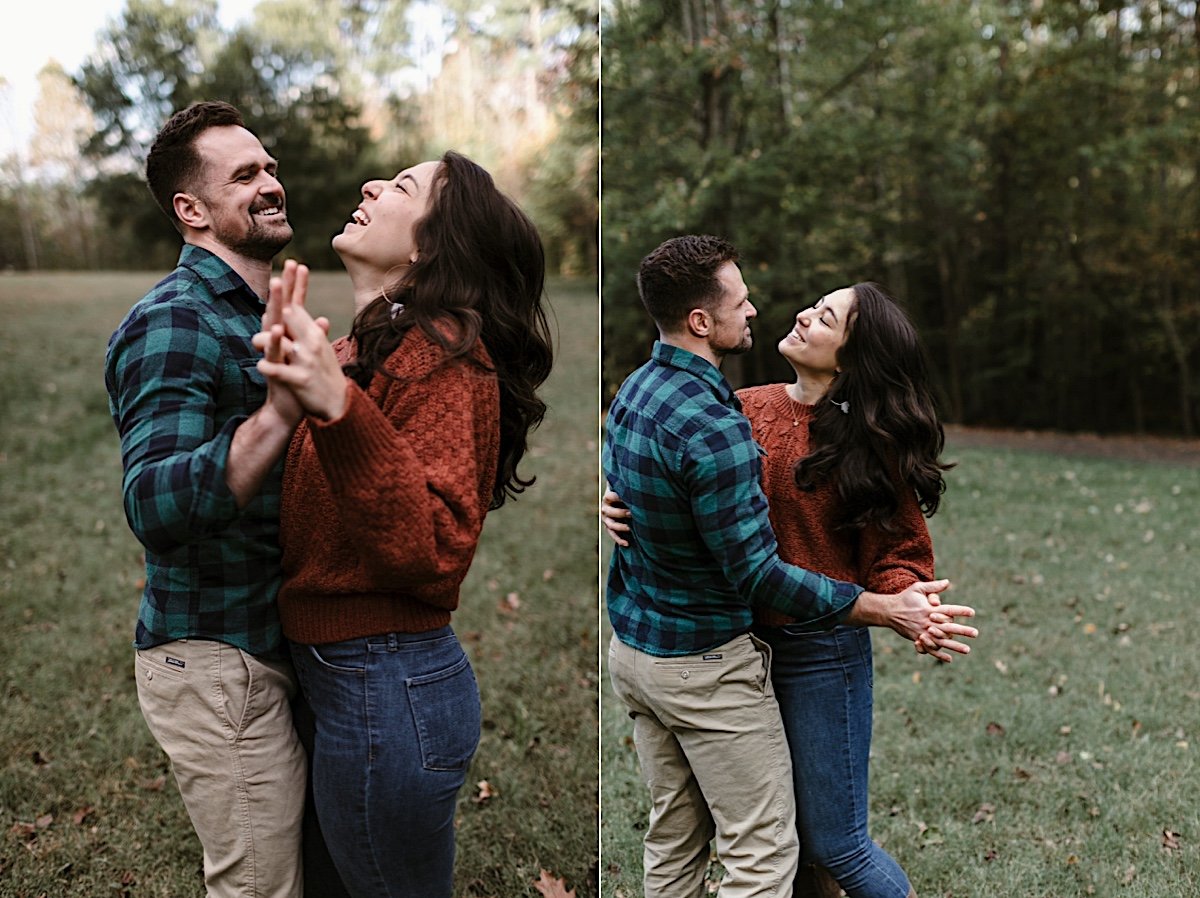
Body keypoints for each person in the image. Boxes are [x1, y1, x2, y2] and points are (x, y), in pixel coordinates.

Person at [601, 235, 976, 898]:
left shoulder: (869, 443)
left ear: (852, 357)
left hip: (819, 653)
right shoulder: (744, 408)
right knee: (785, 843)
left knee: (835, 844)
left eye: (825, 319)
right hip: (740, 643)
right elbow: (685, 493)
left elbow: (897, 555)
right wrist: (620, 505)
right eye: (814, 305)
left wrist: (906, 601)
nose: (802, 314)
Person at [250, 151, 553, 897]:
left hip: (386, 688)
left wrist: (338, 409)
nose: (369, 186)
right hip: (338, 677)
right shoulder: (359, 350)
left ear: (427, 249)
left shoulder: (448, 356)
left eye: (402, 187)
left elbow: (432, 548)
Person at [105, 101, 307, 898]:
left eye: (270, 167)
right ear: (191, 210)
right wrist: (278, 415)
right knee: (257, 885)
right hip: (216, 660)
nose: (271, 185)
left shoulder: (254, 314)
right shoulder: (174, 322)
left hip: (270, 638)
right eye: (246, 175)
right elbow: (153, 505)